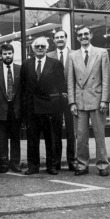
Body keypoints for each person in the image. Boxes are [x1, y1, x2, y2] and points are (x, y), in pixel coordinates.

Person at [66, 26, 110, 177]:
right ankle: (82, 164)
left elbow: (106, 78)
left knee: (100, 135)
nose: (83, 37)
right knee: (81, 136)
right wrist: (72, 102)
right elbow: (70, 81)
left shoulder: (102, 52)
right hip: (80, 101)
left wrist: (105, 99)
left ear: (91, 35)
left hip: (98, 100)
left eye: (86, 34)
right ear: (77, 38)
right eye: (80, 35)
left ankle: (102, 164)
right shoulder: (72, 55)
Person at [20, 37, 66, 175]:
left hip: (50, 107)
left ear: (47, 48)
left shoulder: (56, 63)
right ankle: (33, 166)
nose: (40, 48)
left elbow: (61, 85)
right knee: (32, 138)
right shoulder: (26, 64)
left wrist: (57, 104)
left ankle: (51, 166)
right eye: (37, 46)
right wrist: (24, 108)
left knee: (50, 138)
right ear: (33, 49)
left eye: (42, 46)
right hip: (32, 107)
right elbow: (23, 87)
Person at [47, 30, 77, 171]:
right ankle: (56, 162)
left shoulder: (75, 54)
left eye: (62, 37)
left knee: (71, 131)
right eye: (57, 38)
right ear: (53, 40)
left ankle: (72, 160)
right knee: (56, 132)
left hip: (72, 99)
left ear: (66, 38)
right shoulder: (48, 56)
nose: (59, 39)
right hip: (55, 99)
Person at [0, 44, 22, 173]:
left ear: (13, 54)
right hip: (1, 110)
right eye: (5, 54)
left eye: (9, 53)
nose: (7, 56)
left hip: (16, 109)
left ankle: (15, 163)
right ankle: (3, 163)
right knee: (2, 138)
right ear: (1, 56)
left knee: (16, 138)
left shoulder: (20, 70)